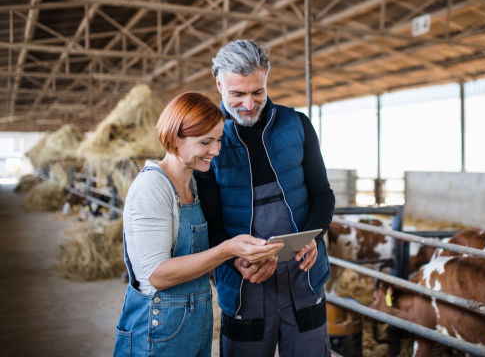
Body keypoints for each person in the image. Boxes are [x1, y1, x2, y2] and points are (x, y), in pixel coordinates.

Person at [113, 92, 282, 357]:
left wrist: (240, 259)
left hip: (194, 323)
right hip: (158, 329)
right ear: (175, 137)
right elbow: (158, 274)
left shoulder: (191, 184)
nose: (215, 151)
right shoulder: (153, 187)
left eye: (217, 140)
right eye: (206, 142)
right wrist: (228, 250)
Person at [195, 40, 335, 357]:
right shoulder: (207, 143)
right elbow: (209, 222)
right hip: (246, 285)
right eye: (237, 94)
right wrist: (233, 259)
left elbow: (322, 194)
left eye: (257, 92)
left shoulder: (297, 126)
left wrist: (313, 237)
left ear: (266, 79)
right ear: (219, 84)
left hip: (303, 277)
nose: (248, 104)